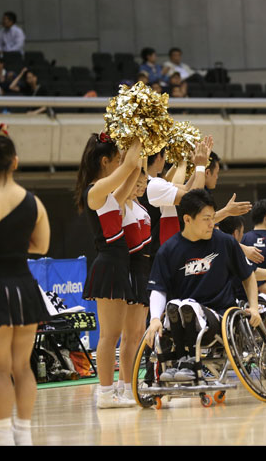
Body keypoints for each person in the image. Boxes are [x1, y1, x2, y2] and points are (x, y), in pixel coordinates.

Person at [145, 189, 261, 381]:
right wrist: (155, 318)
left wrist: (254, 307)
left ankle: (189, 360)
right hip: (179, 320)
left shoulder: (226, 243)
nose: (211, 224)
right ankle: (180, 360)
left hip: (219, 318)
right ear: (187, 220)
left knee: (188, 307)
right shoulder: (168, 250)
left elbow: (248, 277)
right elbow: (158, 288)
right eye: (205, 219)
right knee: (176, 307)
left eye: (213, 218)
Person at [0, 127, 51, 445]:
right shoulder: (34, 203)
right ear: (15, 162)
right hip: (24, 288)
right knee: (22, 366)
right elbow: (41, 246)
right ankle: (23, 434)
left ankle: (2, 435)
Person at [74, 132, 144, 408]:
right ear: (105, 161)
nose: (119, 164)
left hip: (119, 264)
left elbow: (133, 168)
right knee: (109, 335)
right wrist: (138, 131)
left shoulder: (108, 193)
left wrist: (136, 146)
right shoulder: (95, 191)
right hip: (109, 264)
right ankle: (104, 394)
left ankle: (115, 390)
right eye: (115, 160)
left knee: (116, 334)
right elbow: (128, 168)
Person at [115, 168, 152, 401]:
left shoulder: (140, 206)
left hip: (144, 271)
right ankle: (127, 386)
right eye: (136, 182)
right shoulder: (119, 204)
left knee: (139, 332)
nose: (141, 186)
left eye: (144, 182)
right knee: (129, 335)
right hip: (130, 267)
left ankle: (124, 383)